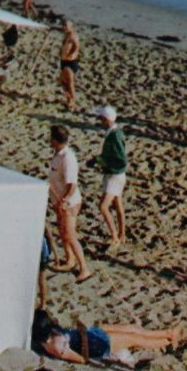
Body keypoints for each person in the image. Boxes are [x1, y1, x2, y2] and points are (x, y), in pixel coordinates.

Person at [31, 309, 181, 364]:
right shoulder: (56, 347)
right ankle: (167, 340)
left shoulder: (50, 335)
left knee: (132, 329)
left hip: (90, 334)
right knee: (134, 339)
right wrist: (83, 334)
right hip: (94, 345)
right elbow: (83, 359)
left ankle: (168, 333)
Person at [48, 124, 91, 280]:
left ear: (55, 139)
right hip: (59, 200)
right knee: (63, 231)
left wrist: (65, 200)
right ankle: (70, 259)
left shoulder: (68, 158)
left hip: (69, 203)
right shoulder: (58, 154)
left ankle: (84, 268)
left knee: (70, 235)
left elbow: (72, 184)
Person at [94, 105, 129, 248]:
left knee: (103, 207)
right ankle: (122, 234)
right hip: (118, 175)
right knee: (117, 204)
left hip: (114, 175)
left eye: (101, 118)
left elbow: (120, 158)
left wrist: (101, 161)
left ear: (107, 119)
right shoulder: (116, 132)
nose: (100, 120)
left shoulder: (114, 135)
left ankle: (114, 236)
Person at [58, 20, 81, 112]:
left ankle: (73, 103)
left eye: (66, 26)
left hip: (70, 62)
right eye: (63, 25)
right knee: (62, 81)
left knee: (70, 83)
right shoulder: (66, 34)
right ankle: (69, 99)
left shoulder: (73, 35)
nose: (64, 27)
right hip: (64, 61)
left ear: (71, 26)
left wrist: (73, 53)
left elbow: (77, 46)